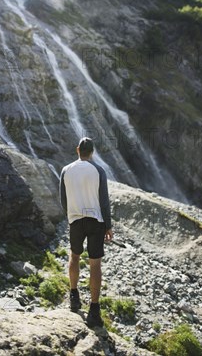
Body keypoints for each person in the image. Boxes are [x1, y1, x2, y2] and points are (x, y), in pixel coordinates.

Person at [59, 137, 113, 327]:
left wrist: (71, 215)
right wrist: (108, 225)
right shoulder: (98, 170)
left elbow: (63, 199)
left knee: (74, 256)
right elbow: (104, 200)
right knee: (95, 264)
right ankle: (94, 310)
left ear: (77, 150)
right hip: (95, 220)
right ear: (92, 152)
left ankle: (74, 297)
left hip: (75, 219)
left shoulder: (66, 170)